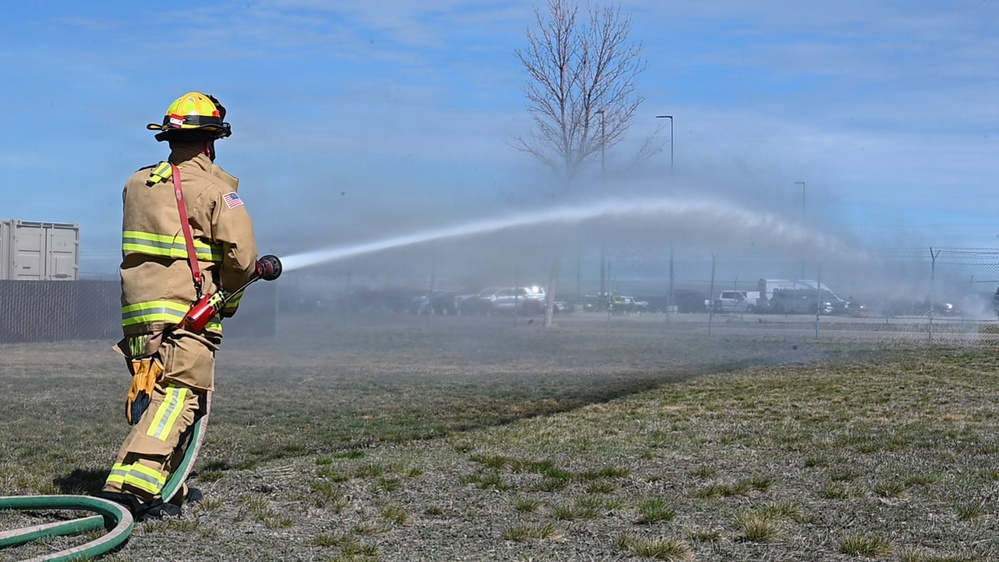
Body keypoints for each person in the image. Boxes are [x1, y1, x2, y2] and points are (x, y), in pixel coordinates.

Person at [97, 92, 259, 519]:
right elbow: (241, 259)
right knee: (179, 399)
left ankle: (168, 487)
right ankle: (129, 489)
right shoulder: (215, 191)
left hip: (139, 317)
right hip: (186, 312)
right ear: (211, 142)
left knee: (162, 395)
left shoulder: (138, 184)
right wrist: (227, 299)